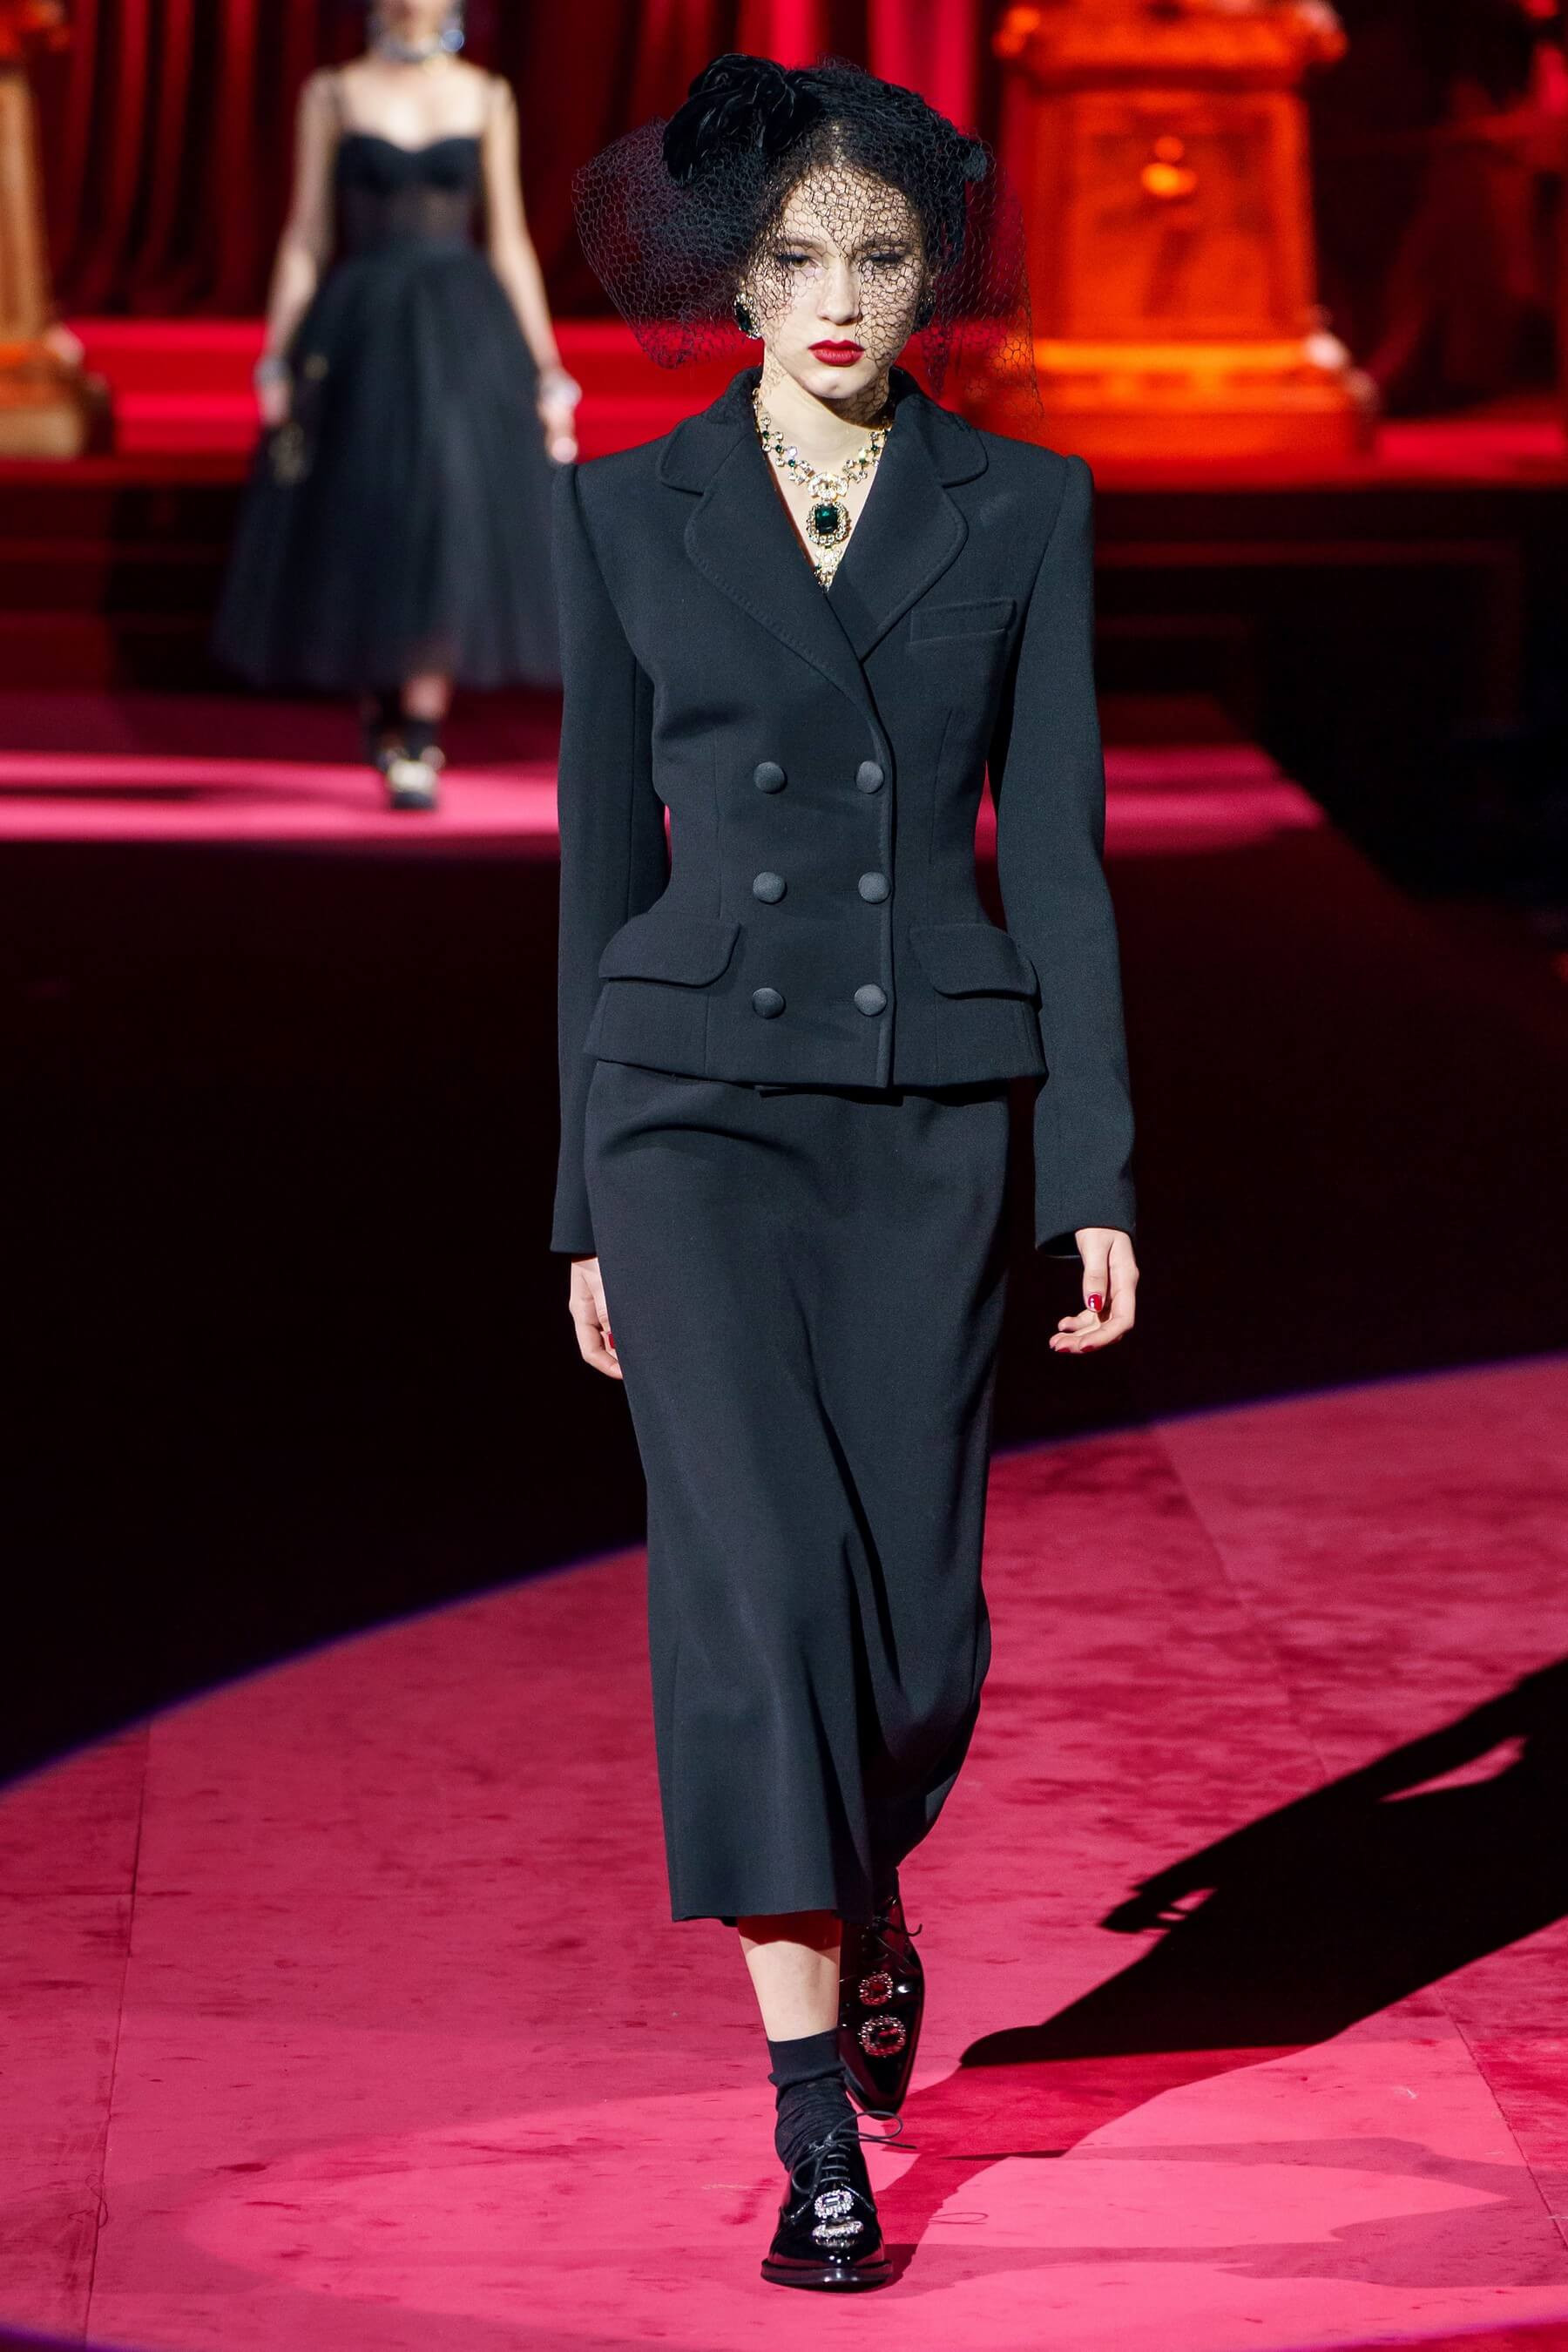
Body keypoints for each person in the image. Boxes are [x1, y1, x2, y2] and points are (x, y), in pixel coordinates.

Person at [553, 54, 1139, 2292]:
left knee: (910, 1644)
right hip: (688, 1110)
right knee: (760, 1595)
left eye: (879, 257)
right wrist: (579, 1201)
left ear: (931, 275)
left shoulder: (1027, 506)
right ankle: (817, 2128)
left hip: (925, 1114)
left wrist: (1091, 1165)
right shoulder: (627, 513)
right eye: (793, 256)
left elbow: (1058, 859)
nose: (835, 297)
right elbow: (600, 874)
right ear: (728, 276)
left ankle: (870, 1884)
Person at [213, 0, 575, 811]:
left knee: (444, 507)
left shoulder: (487, 96)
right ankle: (383, 708)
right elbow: (306, 235)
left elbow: (509, 241)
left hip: (463, 330)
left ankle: (419, 732)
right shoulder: (332, 93)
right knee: (366, 510)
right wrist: (276, 356)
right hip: (361, 328)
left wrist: (549, 370)